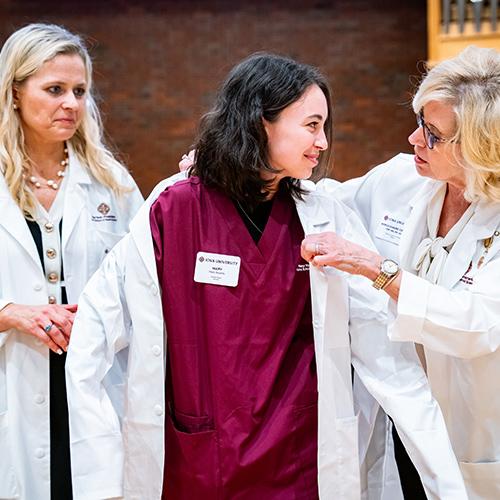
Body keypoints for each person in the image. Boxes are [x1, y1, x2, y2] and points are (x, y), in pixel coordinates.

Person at [65, 53, 467, 500]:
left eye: (323, 127)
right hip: (197, 464)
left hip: (300, 467)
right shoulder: (171, 210)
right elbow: (92, 340)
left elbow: (389, 361)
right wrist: (101, 485)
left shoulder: (324, 219)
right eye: (311, 125)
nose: (322, 142)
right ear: (261, 122)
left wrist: (446, 486)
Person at [302, 45, 500, 500]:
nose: (414, 140)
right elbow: (323, 202)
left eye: (432, 134)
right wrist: (242, 170)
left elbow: (478, 324)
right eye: (419, 124)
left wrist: (379, 271)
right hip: (400, 419)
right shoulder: (403, 178)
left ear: (481, 147)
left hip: (472, 435)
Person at [0, 23, 143, 499]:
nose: (71, 104)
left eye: (80, 91)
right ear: (15, 93)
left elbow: (146, 280)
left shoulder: (111, 182)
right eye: (55, 89)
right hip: (13, 384)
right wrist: (11, 313)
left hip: (92, 385)